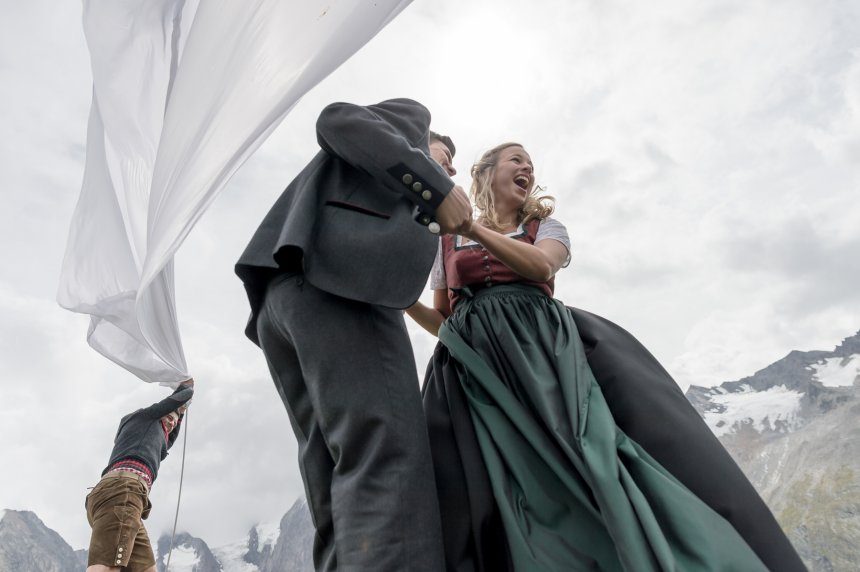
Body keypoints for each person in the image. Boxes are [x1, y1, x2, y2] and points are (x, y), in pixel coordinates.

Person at [407, 142, 805, 571]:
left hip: (541, 354)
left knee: (587, 456)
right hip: (477, 368)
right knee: (488, 479)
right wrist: (398, 299)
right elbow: (441, 319)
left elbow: (541, 268)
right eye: (516, 159)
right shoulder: (446, 241)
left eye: (531, 164)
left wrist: (473, 227)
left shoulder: (547, 227)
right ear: (485, 172)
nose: (528, 167)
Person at [235, 98, 471, 571]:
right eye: (442, 159)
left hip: (283, 300)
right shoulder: (410, 122)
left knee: (330, 480)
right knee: (389, 459)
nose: (448, 169)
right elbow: (336, 118)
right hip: (340, 287)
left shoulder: (370, 192)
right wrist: (435, 186)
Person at [85, 382, 193, 572]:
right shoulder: (144, 417)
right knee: (107, 567)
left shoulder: (152, 437)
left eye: (175, 421)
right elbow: (178, 399)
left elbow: (171, 436)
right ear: (159, 412)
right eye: (169, 416)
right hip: (124, 491)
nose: (171, 422)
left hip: (122, 496)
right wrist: (186, 388)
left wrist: (180, 414)